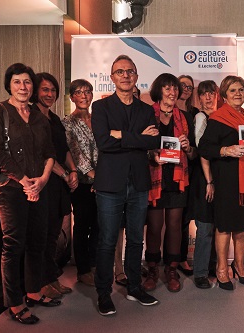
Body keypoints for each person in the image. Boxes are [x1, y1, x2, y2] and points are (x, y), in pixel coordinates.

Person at [0, 63, 59, 325]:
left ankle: (34, 291)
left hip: (40, 186)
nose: (23, 87)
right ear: (9, 85)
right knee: (13, 245)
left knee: (38, 241)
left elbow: (50, 151)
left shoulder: (39, 116)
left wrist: (44, 179)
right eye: (17, 82)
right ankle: (15, 302)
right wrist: (26, 180)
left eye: (27, 82)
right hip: (12, 189)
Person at [91, 55, 161, 315]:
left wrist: (121, 135)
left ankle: (134, 287)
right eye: (119, 72)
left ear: (136, 76)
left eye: (129, 71)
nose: (125, 75)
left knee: (135, 240)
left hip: (139, 183)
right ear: (112, 78)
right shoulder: (101, 108)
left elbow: (153, 142)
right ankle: (103, 293)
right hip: (110, 184)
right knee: (108, 241)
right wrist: (138, 138)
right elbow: (103, 143)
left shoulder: (146, 110)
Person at [199, 75, 244, 290]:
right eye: (233, 90)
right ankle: (221, 268)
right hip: (228, 181)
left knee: (242, 225)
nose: (238, 93)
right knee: (225, 226)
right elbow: (204, 148)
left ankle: (239, 265)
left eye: (241, 90)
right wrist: (226, 150)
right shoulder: (218, 118)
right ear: (224, 95)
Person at [143, 73, 196, 293]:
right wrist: (151, 154)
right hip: (155, 178)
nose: (172, 92)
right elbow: (140, 147)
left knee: (175, 225)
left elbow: (193, 154)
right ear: (159, 91)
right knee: (155, 226)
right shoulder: (147, 114)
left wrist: (187, 148)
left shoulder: (184, 117)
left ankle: (172, 269)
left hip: (177, 178)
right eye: (167, 88)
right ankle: (153, 268)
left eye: (175, 88)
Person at [32, 73, 78, 299]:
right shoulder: (30, 117)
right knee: (42, 235)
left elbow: (64, 148)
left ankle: (51, 278)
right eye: (44, 90)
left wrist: (73, 172)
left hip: (60, 184)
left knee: (53, 235)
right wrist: (64, 173)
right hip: (44, 182)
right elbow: (42, 153)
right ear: (35, 92)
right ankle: (40, 282)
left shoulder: (55, 119)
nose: (49, 94)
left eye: (53, 90)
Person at [62, 79, 99, 287]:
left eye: (88, 91)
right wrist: (95, 176)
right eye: (79, 92)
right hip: (82, 182)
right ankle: (83, 269)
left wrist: (102, 177)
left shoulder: (99, 119)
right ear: (72, 97)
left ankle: (93, 266)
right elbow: (75, 153)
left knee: (99, 225)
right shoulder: (67, 123)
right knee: (83, 224)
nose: (84, 95)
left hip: (102, 180)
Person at [189, 80, 219, 289]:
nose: (208, 98)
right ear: (199, 98)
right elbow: (202, 150)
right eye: (204, 94)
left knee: (219, 226)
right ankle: (200, 272)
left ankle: (213, 268)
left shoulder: (223, 116)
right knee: (206, 226)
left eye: (211, 93)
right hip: (204, 178)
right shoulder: (200, 117)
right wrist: (209, 181)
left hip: (221, 177)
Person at [174, 74, 200, 276]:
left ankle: (181, 258)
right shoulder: (164, 111)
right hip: (168, 169)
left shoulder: (195, 113)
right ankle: (169, 261)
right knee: (170, 219)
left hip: (190, 169)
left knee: (183, 218)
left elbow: (197, 146)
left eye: (189, 87)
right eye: (182, 85)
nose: (185, 89)